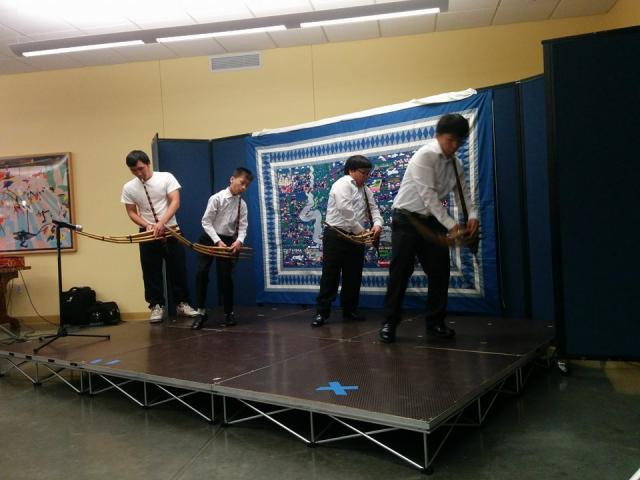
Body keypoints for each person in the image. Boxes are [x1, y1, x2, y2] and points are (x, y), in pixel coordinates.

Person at [379, 113, 479, 343]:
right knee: (401, 271)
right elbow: (429, 198)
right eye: (450, 140)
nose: (454, 146)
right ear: (438, 136)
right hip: (406, 218)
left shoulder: (456, 164)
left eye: (459, 142)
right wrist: (454, 226)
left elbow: (463, 192)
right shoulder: (424, 156)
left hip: (431, 219)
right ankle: (389, 323)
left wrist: (472, 216)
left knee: (440, 271)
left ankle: (435, 323)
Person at [121, 150, 199, 323]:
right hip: (148, 233)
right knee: (150, 271)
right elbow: (131, 212)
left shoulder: (166, 177)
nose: (138, 173)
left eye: (141, 168)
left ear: (148, 163)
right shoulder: (129, 187)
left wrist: (161, 223)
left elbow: (175, 202)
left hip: (171, 229)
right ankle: (156, 306)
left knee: (178, 269)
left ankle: (182, 304)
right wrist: (146, 225)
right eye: (134, 171)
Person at [312, 155, 383, 327]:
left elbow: (374, 209)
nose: (367, 176)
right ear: (351, 170)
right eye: (364, 172)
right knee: (331, 275)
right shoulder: (341, 184)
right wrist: (363, 232)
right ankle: (322, 313)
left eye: (368, 173)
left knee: (353, 275)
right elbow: (346, 211)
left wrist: (378, 224)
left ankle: (350, 310)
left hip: (356, 237)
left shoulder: (366, 190)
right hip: (336, 235)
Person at [191, 167, 253, 330]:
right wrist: (217, 241)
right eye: (242, 183)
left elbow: (243, 226)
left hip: (228, 241)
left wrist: (239, 241)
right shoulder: (216, 198)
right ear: (232, 179)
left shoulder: (242, 204)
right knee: (202, 273)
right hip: (209, 238)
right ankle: (201, 312)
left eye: (247, 185)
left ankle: (228, 313)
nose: (244, 188)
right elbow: (206, 222)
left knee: (226, 277)